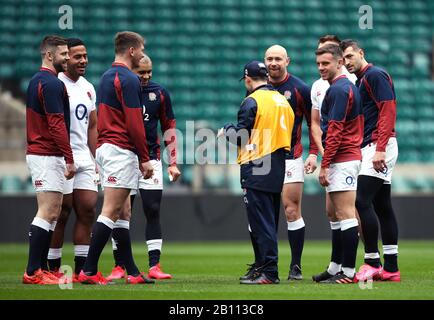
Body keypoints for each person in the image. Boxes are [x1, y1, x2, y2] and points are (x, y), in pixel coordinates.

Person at [78, 31, 154, 285]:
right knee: (111, 210)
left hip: (107, 148)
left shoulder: (106, 76)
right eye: (141, 50)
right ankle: (88, 270)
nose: (143, 55)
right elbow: (134, 122)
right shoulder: (128, 79)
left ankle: (131, 271)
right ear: (131, 51)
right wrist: (145, 158)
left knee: (124, 211)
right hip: (120, 149)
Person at [218, 61, 294, 284]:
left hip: (257, 164)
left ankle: (269, 272)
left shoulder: (252, 101)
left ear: (248, 79)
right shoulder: (283, 100)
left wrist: (227, 130)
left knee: (260, 222)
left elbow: (241, 137)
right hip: (278, 164)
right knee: (267, 220)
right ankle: (262, 266)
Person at [107, 55, 181, 281]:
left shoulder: (159, 93)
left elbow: (169, 126)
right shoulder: (121, 91)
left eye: (150, 72)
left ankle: (154, 265)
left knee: (153, 209)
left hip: (152, 159)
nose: (147, 76)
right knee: (120, 212)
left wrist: (173, 162)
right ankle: (119, 265)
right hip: (125, 158)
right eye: (142, 72)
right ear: (132, 70)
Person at [340, 39, 400, 282]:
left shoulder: (375, 75)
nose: (347, 62)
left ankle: (372, 261)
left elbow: (388, 109)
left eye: (350, 56)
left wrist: (380, 148)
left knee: (361, 200)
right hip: (373, 145)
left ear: (361, 53)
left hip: (379, 146)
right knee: (382, 205)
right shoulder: (362, 80)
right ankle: (391, 268)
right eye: (343, 59)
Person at [262, 45, 318, 280]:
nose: (273, 63)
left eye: (278, 59)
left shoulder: (300, 89)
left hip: (291, 157)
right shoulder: (258, 87)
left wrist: (314, 152)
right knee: (264, 213)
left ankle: (295, 266)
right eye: (269, 59)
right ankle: (263, 265)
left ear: (288, 61)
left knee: (291, 210)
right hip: (262, 160)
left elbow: (313, 123)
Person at [23, 35, 76, 284]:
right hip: (46, 153)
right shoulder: (52, 84)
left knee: (52, 212)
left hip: (43, 152)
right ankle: (33, 271)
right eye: (64, 54)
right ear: (49, 55)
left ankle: (40, 268)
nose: (68, 57)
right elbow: (56, 124)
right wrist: (69, 158)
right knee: (47, 211)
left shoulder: (38, 81)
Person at [46, 38, 98, 281]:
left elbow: (92, 126)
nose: (83, 61)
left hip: (84, 157)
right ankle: (53, 268)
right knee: (61, 212)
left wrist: (95, 156)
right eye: (77, 57)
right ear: (66, 59)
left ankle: (81, 270)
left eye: (85, 56)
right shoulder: (56, 84)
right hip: (61, 155)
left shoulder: (89, 87)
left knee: (87, 210)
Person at [310, 35, 358, 282]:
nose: (321, 68)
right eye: (318, 64)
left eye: (325, 63)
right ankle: (336, 267)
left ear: (339, 62)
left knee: (346, 213)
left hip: (344, 157)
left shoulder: (339, 89)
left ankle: (348, 272)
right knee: (339, 214)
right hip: (345, 156)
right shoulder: (344, 87)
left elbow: (336, 130)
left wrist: (325, 164)